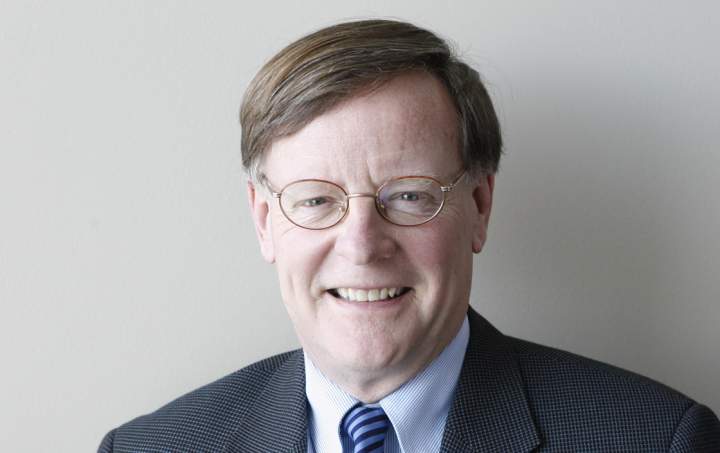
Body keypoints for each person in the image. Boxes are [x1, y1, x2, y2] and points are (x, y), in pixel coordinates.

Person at [98, 19, 720, 452]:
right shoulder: (148, 448)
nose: (362, 245)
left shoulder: (658, 439)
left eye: (409, 196)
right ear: (264, 220)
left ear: (479, 207)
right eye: (316, 200)